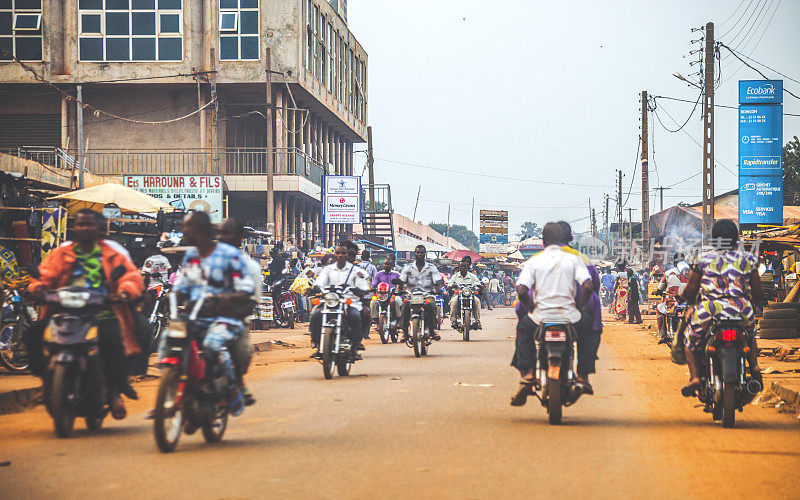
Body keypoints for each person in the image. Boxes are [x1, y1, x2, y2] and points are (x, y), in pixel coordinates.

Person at [25, 209, 144, 419]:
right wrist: (39, 287)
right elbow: (45, 275)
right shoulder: (62, 252)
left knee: (113, 342)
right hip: (63, 310)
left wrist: (124, 292)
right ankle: (46, 382)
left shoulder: (113, 254)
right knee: (34, 333)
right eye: (80, 224)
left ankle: (115, 392)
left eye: (89, 224)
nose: (84, 228)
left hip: (102, 312)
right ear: (75, 228)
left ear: (99, 228)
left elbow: (131, 276)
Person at [173, 212, 255, 416]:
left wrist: (224, 300)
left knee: (213, 347)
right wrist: (173, 295)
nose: (183, 231)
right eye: (221, 233)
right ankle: (173, 388)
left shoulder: (233, 257)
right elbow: (183, 284)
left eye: (187, 227)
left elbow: (246, 291)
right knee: (171, 341)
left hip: (226, 318)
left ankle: (232, 388)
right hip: (195, 317)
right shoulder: (191, 256)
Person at [678, 219, 764, 397]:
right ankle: (754, 366)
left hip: (710, 309)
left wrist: (684, 296)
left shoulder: (701, 258)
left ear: (714, 238)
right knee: (750, 336)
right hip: (742, 309)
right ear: (736, 238)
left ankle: (695, 378)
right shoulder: (749, 259)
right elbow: (758, 291)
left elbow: (691, 289)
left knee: (689, 340)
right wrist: (753, 301)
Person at [510, 222, 592, 406]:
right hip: (569, 316)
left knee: (523, 330)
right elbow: (587, 285)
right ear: (563, 239)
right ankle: (582, 375)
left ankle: (529, 374)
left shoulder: (534, 261)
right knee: (588, 329)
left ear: (543, 241)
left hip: (541, 317)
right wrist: (579, 307)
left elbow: (522, 291)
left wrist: (531, 308)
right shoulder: (573, 259)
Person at [217, 218, 259, 406]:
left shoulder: (249, 267)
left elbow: (251, 301)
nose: (221, 237)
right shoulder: (206, 259)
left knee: (242, 354)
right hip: (202, 318)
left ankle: (237, 381)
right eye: (219, 233)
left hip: (233, 320)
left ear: (239, 238)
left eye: (226, 233)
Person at [309, 242, 369, 356]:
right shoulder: (327, 269)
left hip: (349, 302)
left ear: (347, 255)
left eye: (343, 253)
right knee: (315, 315)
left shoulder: (356, 271)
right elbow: (319, 283)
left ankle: (355, 343)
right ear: (334, 255)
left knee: (355, 316)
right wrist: (316, 288)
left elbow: (364, 287)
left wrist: (355, 289)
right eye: (338, 253)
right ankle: (317, 343)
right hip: (330, 301)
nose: (340, 255)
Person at [399, 245, 444, 342]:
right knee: (405, 305)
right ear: (414, 254)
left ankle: (432, 330)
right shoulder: (408, 268)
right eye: (418, 252)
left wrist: (438, 289)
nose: (419, 254)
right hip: (411, 295)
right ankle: (405, 332)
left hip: (427, 295)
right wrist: (398, 289)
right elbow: (401, 281)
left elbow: (437, 281)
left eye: (422, 252)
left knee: (432, 305)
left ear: (425, 254)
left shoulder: (432, 268)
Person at [656, 259, 690, 344]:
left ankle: (662, 334)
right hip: (688, 303)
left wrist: (658, 292)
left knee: (659, 309)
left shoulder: (668, 273)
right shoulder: (690, 273)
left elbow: (660, 288)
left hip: (671, 302)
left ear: (674, 263)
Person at [448, 256, 481, 329]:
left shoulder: (472, 276)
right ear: (459, 268)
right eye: (461, 266)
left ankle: (477, 320)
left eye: (464, 266)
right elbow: (450, 283)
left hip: (470, 295)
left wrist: (478, 287)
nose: (463, 268)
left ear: (467, 267)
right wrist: (451, 286)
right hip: (458, 295)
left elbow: (477, 284)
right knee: (453, 302)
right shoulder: (455, 276)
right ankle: (453, 320)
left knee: (477, 301)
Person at [370, 254, 402, 324]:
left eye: (388, 264)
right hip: (381, 296)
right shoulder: (379, 274)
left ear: (392, 265)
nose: (386, 266)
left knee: (398, 300)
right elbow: (374, 285)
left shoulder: (396, 274)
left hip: (393, 295)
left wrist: (397, 290)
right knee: (373, 301)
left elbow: (400, 284)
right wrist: (373, 289)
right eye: (385, 264)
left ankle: (399, 318)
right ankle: (375, 318)